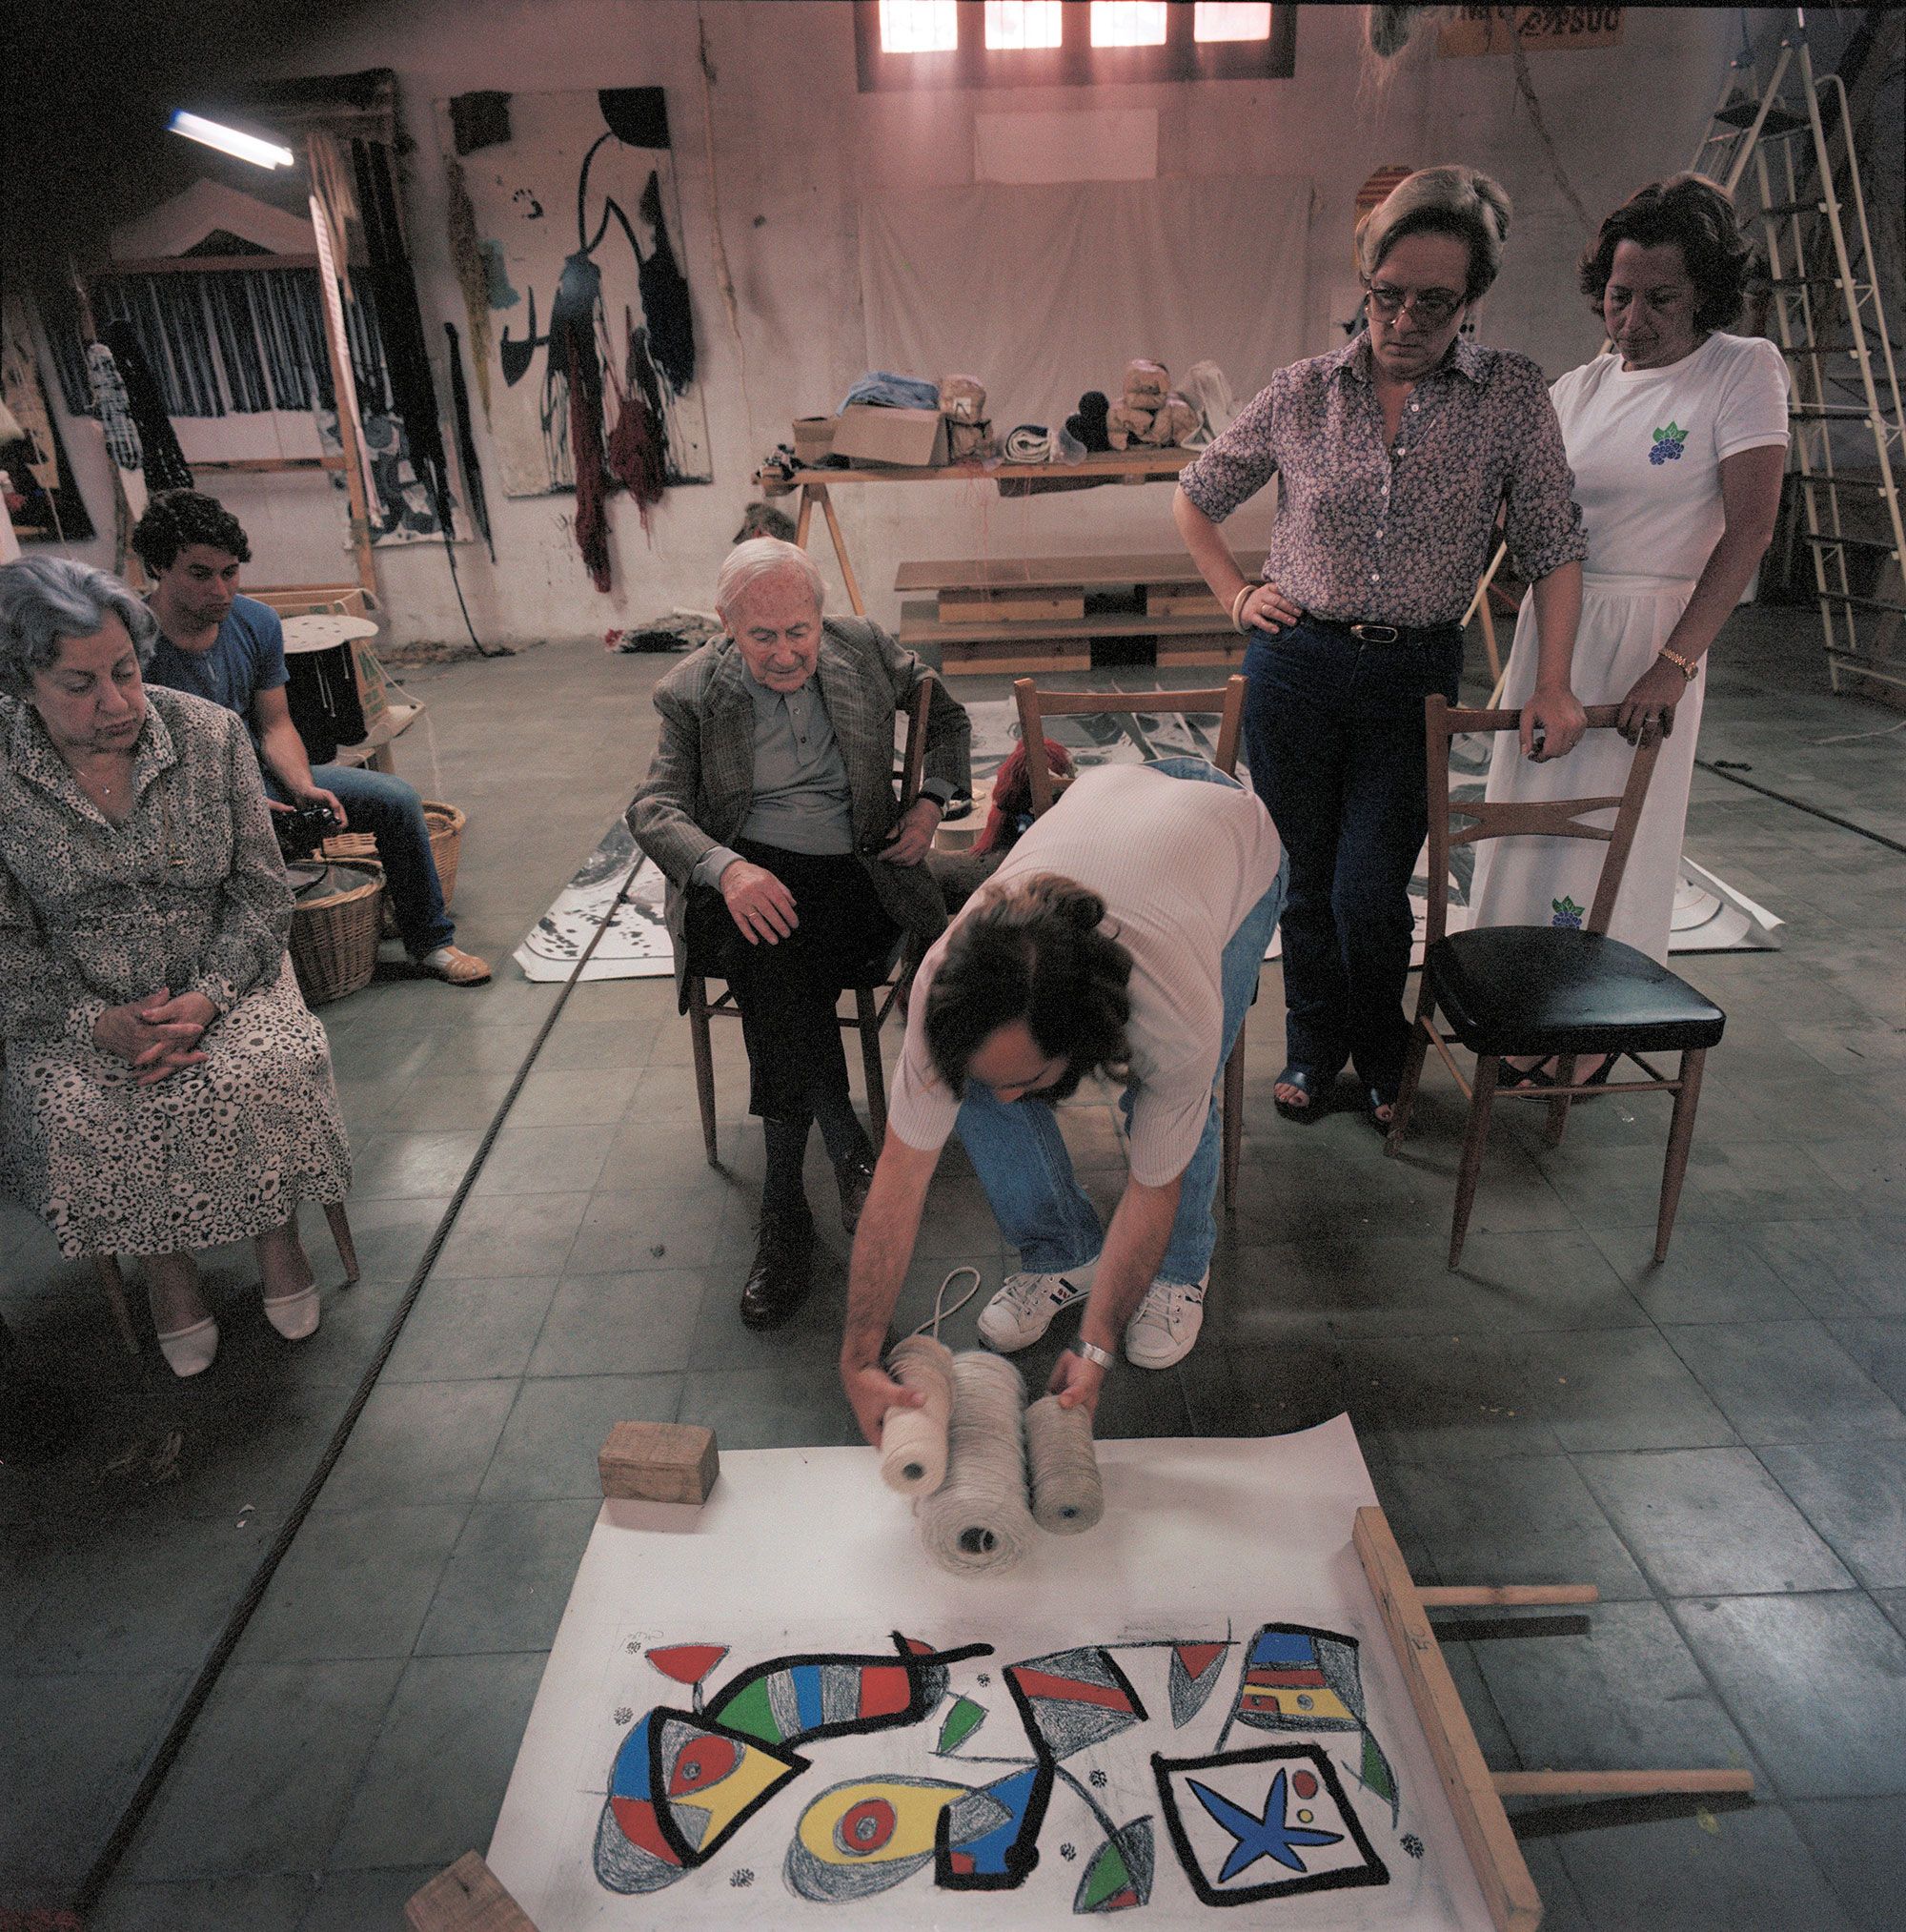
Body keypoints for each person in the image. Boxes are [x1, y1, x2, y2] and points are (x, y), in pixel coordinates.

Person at [1171, 164, 1589, 1129]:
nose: (1402, 320)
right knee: (1302, 881)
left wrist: (1556, 681)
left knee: (1370, 889)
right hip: (1296, 666)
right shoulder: (1300, 391)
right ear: (1363, 284)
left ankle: (1381, 1042)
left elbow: (1554, 541)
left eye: (1433, 303)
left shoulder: (1510, 396)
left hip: (1411, 676)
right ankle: (1315, 1052)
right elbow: (1196, 496)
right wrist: (1235, 593)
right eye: (1385, 295)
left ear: (1470, 301)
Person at [839, 760, 1284, 1443]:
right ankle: (1066, 1251)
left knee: (1170, 1111)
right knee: (977, 1085)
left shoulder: (1173, 1010)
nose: (1013, 1098)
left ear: (1084, 1041)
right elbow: (901, 1172)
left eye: (1032, 1078)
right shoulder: (947, 989)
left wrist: (1096, 1344)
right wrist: (859, 1355)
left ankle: (1180, 1269)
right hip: (1117, 797)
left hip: (1228, 835)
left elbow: (1151, 1186)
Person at [1468, 175, 1788, 1081]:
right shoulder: (1574, 387)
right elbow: (1525, 514)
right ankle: (1514, 1008)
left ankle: (1586, 1027)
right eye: (1618, 295)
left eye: (1660, 298)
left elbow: (1751, 528)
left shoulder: (1742, 369)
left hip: (1654, 633)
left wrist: (1675, 665)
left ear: (1707, 296)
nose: (1633, 319)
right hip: (1557, 631)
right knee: (1527, 823)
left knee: (1615, 834)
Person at [0, 557, 351, 1376]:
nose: (116, 702)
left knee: (265, 1066)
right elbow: (5, 943)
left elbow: (264, 896)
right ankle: (166, 1269)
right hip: (75, 1003)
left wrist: (205, 997)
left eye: (124, 671)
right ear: (21, 682)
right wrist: (98, 1022)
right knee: (80, 1105)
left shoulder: (207, 733)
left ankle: (278, 1238)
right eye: (78, 685)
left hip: (223, 975)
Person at [629, 538, 971, 1330]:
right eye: (761, 636)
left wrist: (928, 805)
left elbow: (947, 719)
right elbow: (653, 809)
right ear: (725, 626)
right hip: (747, 884)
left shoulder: (865, 649)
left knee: (777, 973)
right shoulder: (689, 693)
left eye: (799, 631)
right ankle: (846, 1148)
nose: (786, 653)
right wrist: (727, 867)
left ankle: (788, 1215)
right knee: (767, 938)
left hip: (855, 874)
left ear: (822, 619)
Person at [132, 489, 490, 986]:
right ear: (158, 567)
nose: (221, 589)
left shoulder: (255, 622)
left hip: (254, 774)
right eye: (200, 573)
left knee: (395, 799)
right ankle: (237, 973)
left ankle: (430, 942)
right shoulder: (131, 641)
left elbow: (275, 726)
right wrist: (242, 804)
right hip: (176, 799)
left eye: (230, 572)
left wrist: (302, 786)